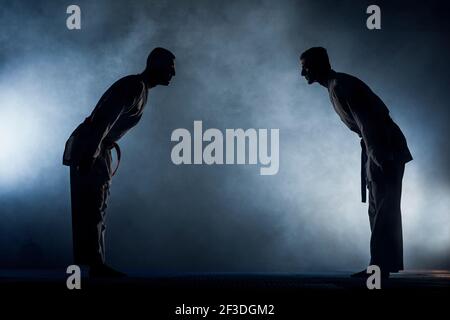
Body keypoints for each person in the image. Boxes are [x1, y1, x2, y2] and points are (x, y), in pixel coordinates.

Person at [299, 47, 412, 279]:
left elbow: (369, 122)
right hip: (379, 145)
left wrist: (379, 156)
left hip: (384, 145)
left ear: (318, 64)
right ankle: (382, 265)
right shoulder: (335, 85)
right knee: (378, 206)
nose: (302, 73)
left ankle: (380, 267)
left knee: (383, 207)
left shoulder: (341, 85)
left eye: (305, 66)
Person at [63, 47, 176, 277]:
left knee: (96, 205)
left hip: (96, 147)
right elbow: (104, 121)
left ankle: (95, 263)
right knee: (93, 205)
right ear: (157, 65)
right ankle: (95, 265)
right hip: (91, 145)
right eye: (170, 67)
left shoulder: (140, 88)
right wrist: (90, 155)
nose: (173, 73)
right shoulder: (133, 87)